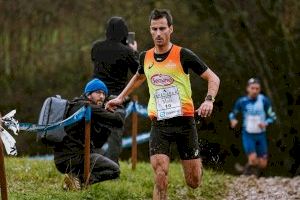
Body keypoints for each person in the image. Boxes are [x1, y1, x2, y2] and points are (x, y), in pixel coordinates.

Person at [106, 9, 220, 200]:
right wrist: (120, 97)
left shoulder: (183, 55)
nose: (158, 33)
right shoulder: (145, 57)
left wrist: (209, 100)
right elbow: (139, 77)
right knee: (160, 174)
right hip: (160, 124)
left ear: (170, 29)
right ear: (150, 30)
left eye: (162, 28)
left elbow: (213, 78)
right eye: (154, 29)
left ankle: (197, 168)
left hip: (184, 123)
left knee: (194, 182)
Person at [53, 78, 124, 190]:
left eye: (104, 93)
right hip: (76, 158)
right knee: (115, 170)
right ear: (88, 94)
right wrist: (116, 108)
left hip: (61, 160)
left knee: (102, 156)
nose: (101, 96)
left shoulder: (75, 104)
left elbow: (97, 143)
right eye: (98, 92)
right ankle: (78, 182)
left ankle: (73, 181)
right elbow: (118, 121)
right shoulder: (88, 108)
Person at [91, 16, 139, 164]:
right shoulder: (127, 51)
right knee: (115, 135)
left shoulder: (96, 47)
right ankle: (111, 166)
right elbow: (139, 71)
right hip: (116, 97)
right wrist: (134, 51)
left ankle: (92, 162)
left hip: (95, 96)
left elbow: (95, 60)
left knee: (93, 131)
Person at [229, 78, 276, 176]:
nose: (255, 91)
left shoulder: (264, 100)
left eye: (257, 89)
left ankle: (245, 169)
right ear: (247, 88)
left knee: (263, 164)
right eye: (252, 88)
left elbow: (273, 116)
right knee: (253, 159)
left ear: (260, 89)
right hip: (248, 134)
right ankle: (249, 174)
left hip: (261, 134)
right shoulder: (242, 101)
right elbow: (232, 113)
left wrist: (266, 122)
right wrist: (233, 119)